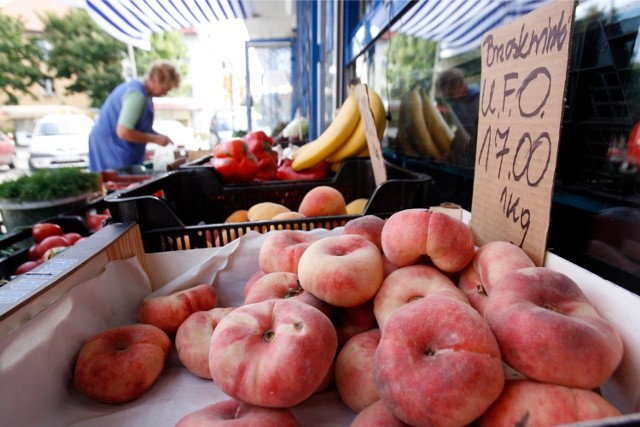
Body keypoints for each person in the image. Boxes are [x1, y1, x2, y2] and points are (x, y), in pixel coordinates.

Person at [88, 61, 181, 172]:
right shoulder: (137, 95)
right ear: (155, 80)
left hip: (117, 147)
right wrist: (155, 139)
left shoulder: (145, 95)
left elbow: (141, 128)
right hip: (110, 148)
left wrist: (160, 137)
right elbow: (123, 131)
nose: (165, 93)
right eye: (165, 89)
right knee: (115, 183)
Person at [436, 68, 480, 167]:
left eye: (450, 93)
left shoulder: (479, 98)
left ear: (460, 84)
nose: (448, 96)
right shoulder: (456, 105)